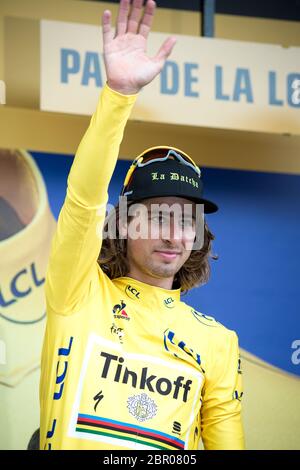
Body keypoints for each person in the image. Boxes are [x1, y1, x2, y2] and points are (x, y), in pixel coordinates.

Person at [40, 0, 245, 450]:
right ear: (123, 224)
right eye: (157, 216)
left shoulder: (218, 342)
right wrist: (118, 95)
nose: (174, 234)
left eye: (187, 219)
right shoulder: (78, 292)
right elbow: (83, 199)